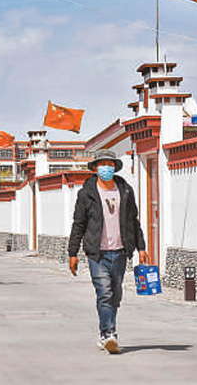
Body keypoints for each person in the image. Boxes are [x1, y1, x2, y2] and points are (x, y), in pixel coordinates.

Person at [68, 148, 148, 354]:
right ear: (95, 168)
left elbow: (133, 221)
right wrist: (72, 253)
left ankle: (106, 332)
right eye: (102, 164)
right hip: (97, 253)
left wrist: (141, 247)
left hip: (120, 252)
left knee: (115, 295)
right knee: (104, 292)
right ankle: (109, 333)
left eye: (110, 165)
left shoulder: (125, 191)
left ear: (115, 168)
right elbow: (78, 224)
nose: (106, 168)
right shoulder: (86, 194)